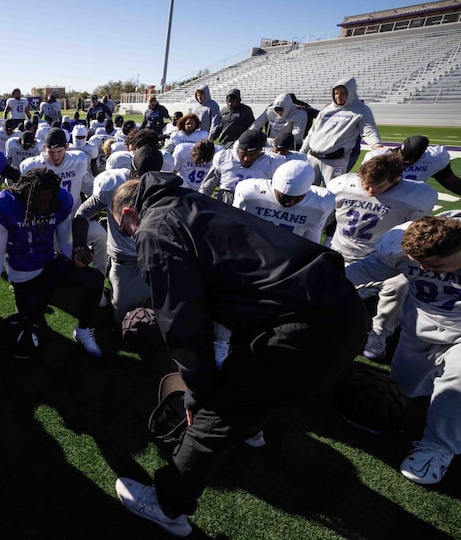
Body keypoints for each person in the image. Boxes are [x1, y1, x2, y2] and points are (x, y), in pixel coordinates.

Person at [111, 171, 366, 536]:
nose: (131, 237)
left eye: (127, 231)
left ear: (128, 216)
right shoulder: (188, 201)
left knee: (211, 421)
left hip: (302, 331)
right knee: (252, 382)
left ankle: (169, 507)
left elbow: (184, 322)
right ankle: (251, 427)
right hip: (340, 307)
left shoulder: (154, 227)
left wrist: (198, 393)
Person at [345, 213, 461, 485]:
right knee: (402, 388)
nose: (422, 268)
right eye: (416, 262)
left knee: (456, 386)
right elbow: (362, 271)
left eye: (433, 264)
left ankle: (439, 447)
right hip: (420, 322)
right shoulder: (399, 243)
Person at [0, 167, 105, 358]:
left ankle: (83, 329)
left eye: (49, 200)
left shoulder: (61, 200)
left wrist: (74, 257)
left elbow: (64, 241)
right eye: (40, 200)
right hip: (24, 274)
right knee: (28, 331)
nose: (45, 205)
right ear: (25, 192)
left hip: (51, 263)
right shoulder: (5, 203)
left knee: (95, 280)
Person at [327, 153, 437, 361]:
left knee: (401, 283)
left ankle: (379, 335)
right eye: (366, 184)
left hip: (382, 260)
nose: (369, 191)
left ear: (396, 179)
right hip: (340, 253)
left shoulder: (415, 196)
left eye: (377, 186)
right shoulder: (342, 184)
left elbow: (414, 236)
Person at [73, 145, 162, 326]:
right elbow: (82, 213)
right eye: (140, 177)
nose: (143, 184)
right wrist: (80, 244)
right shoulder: (112, 187)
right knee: (125, 320)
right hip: (125, 262)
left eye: (149, 178)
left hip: (155, 260)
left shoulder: (164, 189)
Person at [20, 128, 106, 280]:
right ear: (44, 148)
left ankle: (98, 278)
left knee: (100, 235)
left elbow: (87, 184)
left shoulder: (79, 159)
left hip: (74, 219)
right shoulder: (32, 166)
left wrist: (98, 201)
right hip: (47, 224)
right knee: (59, 257)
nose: (55, 157)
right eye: (51, 152)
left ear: (67, 147)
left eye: (59, 151)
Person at [300, 77, 382, 186]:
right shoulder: (327, 110)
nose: (338, 96)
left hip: (334, 161)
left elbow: (369, 131)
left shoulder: (361, 110)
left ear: (351, 92)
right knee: (308, 190)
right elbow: (312, 132)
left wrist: (377, 146)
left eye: (342, 93)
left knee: (331, 193)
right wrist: (302, 152)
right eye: (336, 93)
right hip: (313, 157)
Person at [233, 160, 334, 243]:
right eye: (284, 197)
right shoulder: (249, 193)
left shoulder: (322, 203)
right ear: (274, 186)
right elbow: (234, 227)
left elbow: (311, 241)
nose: (288, 203)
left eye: (296, 198)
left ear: (307, 191)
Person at [199, 129, 284, 204]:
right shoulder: (224, 157)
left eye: (252, 154)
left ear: (260, 151)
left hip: (254, 205)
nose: (247, 159)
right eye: (243, 154)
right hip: (226, 204)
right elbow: (206, 187)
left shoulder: (272, 162)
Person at [362, 134, 461, 195]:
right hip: (386, 197)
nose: (406, 163)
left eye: (409, 161)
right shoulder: (379, 158)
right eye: (404, 158)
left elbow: (452, 183)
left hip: (412, 200)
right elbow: (366, 183)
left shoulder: (435, 158)